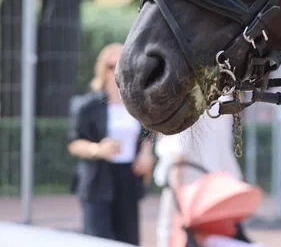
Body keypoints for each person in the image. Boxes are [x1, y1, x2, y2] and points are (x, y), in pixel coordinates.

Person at [67, 43, 155, 244]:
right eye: (111, 65)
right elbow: (74, 142)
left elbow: (147, 134)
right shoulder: (87, 104)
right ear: (102, 69)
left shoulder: (137, 103)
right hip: (98, 178)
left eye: (122, 64)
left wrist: (146, 153)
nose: (116, 71)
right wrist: (97, 149)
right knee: (99, 239)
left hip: (128, 178)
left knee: (128, 239)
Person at [154, 112, 242, 247]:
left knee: (173, 232)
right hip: (218, 183)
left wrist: (176, 186)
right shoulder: (225, 100)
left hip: (189, 184)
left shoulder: (189, 98)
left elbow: (181, 146)